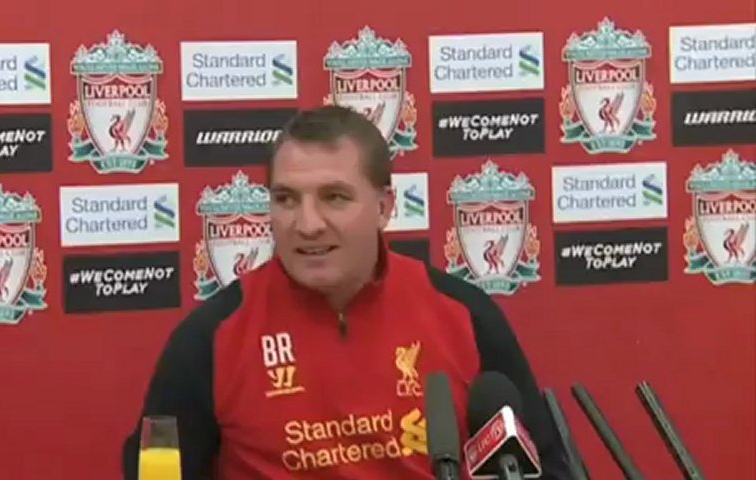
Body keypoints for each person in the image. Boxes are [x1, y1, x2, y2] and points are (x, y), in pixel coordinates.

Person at [122, 105, 571, 479]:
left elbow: (545, 469)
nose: (307, 224)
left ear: (384, 207)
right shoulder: (209, 340)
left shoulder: (464, 316)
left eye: (334, 197)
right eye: (286, 199)